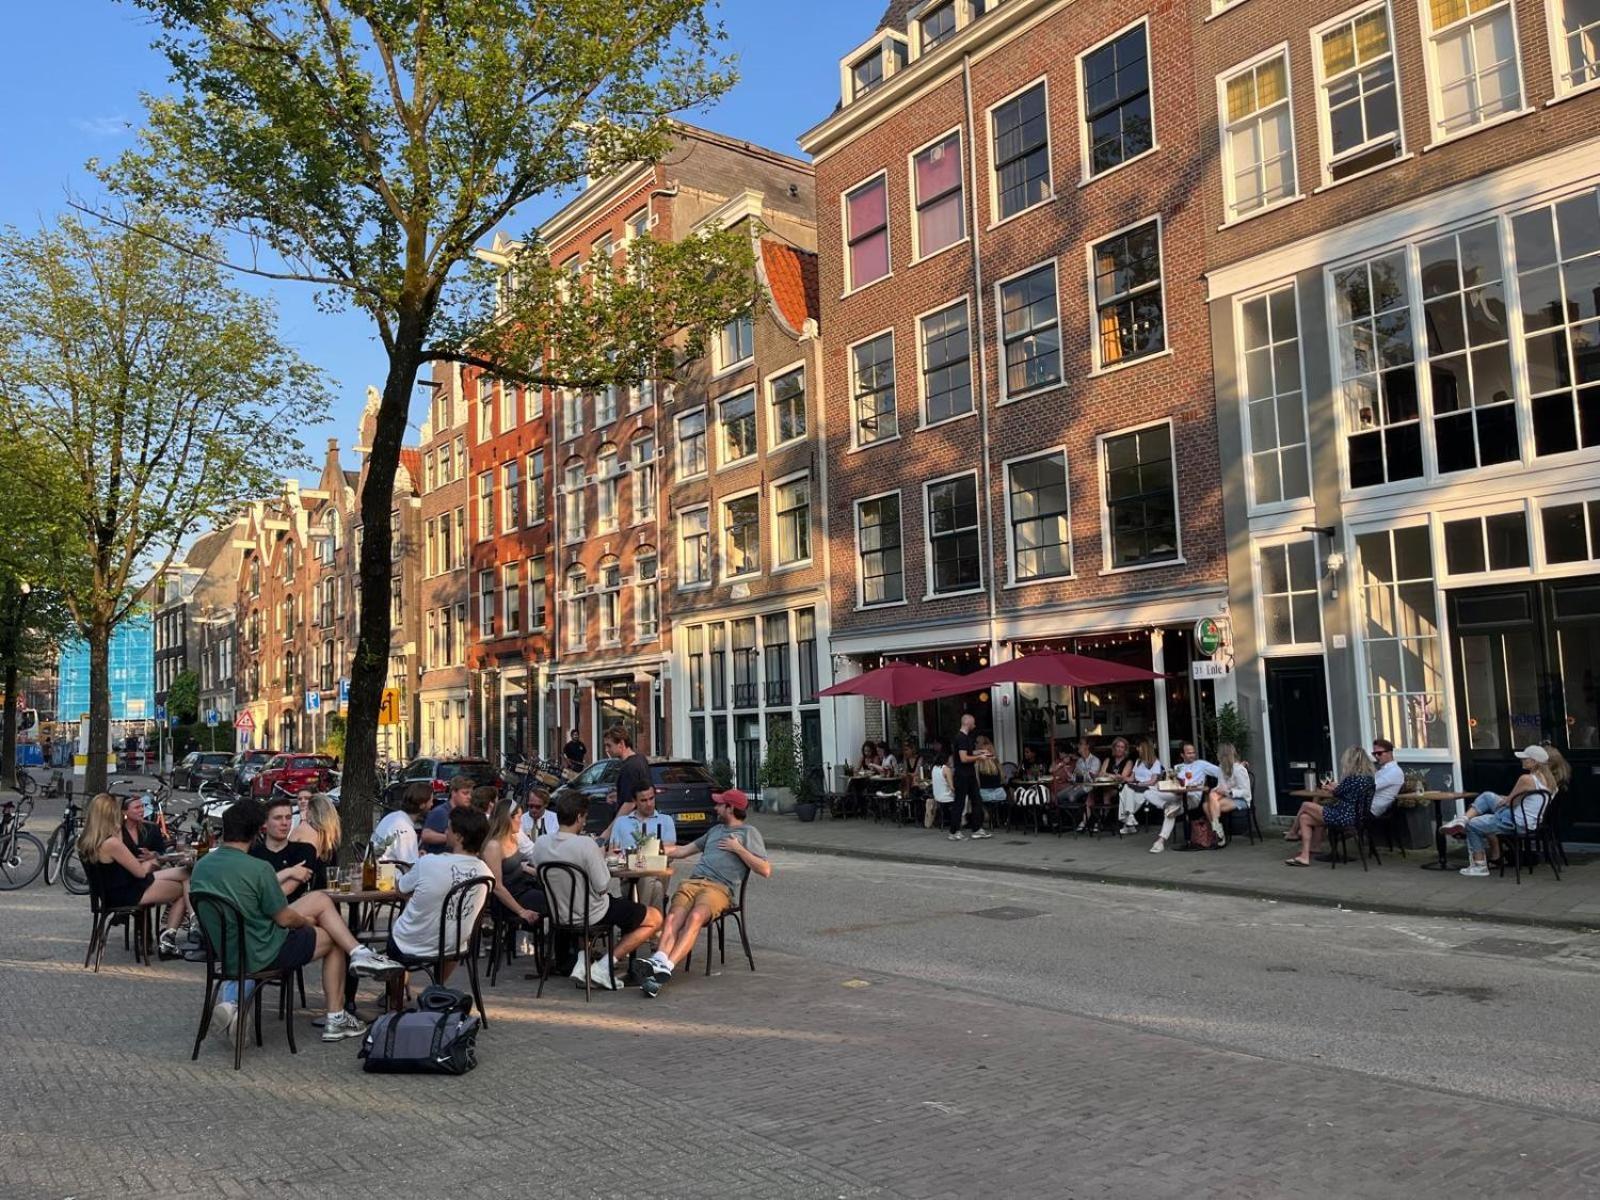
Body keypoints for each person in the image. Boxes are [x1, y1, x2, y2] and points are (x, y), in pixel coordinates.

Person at [192, 798, 401, 1043]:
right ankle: (336, 1015)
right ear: (256, 832)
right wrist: (305, 923)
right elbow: (283, 918)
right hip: (262, 950)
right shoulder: (258, 869)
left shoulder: (201, 867)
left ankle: (234, 1005)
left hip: (227, 952)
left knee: (319, 899)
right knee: (333, 938)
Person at [639, 788, 770, 998]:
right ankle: (660, 962)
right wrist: (650, 847)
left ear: (731, 808)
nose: (715, 807)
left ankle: (666, 966)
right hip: (693, 883)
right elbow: (682, 851)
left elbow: (765, 870)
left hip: (719, 888)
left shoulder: (749, 833)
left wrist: (738, 849)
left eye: (720, 804)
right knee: (673, 917)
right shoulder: (715, 830)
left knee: (696, 917)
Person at [534, 792, 664, 991]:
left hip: (559, 914)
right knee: (654, 918)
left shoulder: (541, 843)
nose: (585, 822)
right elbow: (602, 885)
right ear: (579, 817)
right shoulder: (585, 844)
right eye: (585, 817)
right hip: (592, 912)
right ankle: (604, 966)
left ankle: (583, 961)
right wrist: (601, 856)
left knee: (625, 907)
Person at [385, 806, 494, 984]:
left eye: (449, 828)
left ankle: (396, 996)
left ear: (458, 836)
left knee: (397, 934)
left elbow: (400, 889)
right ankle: (437, 988)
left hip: (411, 943)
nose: (445, 831)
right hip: (454, 946)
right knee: (453, 936)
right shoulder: (486, 873)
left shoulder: (428, 862)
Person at [78, 791, 191, 957]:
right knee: (184, 885)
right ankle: (175, 936)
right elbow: (139, 873)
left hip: (113, 890)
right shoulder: (112, 843)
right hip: (127, 892)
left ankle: (176, 934)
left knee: (184, 874)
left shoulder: (86, 840)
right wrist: (152, 862)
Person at [1439, 745, 1556, 877]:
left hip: (1514, 822)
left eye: (1525, 758)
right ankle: (1462, 819)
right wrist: (1502, 799)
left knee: (1472, 824)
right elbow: (1520, 800)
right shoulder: (1550, 782)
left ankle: (1479, 865)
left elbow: (1509, 802)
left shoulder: (1526, 779)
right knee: (1488, 796)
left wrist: (1503, 800)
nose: (1521, 761)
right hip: (1529, 821)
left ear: (1534, 762)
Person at [1286, 746, 1375, 866]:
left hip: (1343, 817)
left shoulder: (1352, 778)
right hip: (1357, 818)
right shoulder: (1368, 779)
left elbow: (1337, 793)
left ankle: (1292, 832)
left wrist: (1330, 788)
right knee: (1304, 818)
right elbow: (1345, 792)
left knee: (1306, 805)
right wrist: (1336, 788)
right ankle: (1305, 855)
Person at [606, 783, 676, 910]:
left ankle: (638, 918)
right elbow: (611, 854)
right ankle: (655, 928)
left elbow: (669, 854)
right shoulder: (622, 822)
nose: (649, 804)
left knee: (649, 876)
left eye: (651, 798)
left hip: (658, 873)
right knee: (657, 888)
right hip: (630, 880)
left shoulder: (665, 821)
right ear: (634, 801)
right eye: (643, 800)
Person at [481, 799, 544, 929]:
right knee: (557, 902)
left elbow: (512, 866)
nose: (521, 822)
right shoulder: (493, 846)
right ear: (508, 819)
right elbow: (497, 885)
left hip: (523, 887)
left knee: (558, 893)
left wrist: (533, 871)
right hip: (510, 898)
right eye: (519, 817)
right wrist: (521, 911)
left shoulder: (513, 837)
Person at [1151, 743, 1219, 853]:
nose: (1192, 755)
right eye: (1189, 753)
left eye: (1193, 752)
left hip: (1193, 798)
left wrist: (1238, 766)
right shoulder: (1178, 768)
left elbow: (1219, 772)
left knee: (1171, 808)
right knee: (1151, 792)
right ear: (1182, 755)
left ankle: (1160, 841)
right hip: (1179, 797)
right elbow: (1175, 784)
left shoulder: (1201, 764)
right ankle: (1160, 841)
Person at [250, 796, 319, 899]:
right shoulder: (253, 854)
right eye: (278, 818)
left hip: (296, 910)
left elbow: (286, 890)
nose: (284, 823)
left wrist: (261, 891)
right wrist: (289, 872)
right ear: (264, 823)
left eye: (288, 817)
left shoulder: (304, 850)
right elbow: (253, 890)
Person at [1202, 743, 1252, 846]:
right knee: (1206, 804)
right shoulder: (1221, 768)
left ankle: (1218, 834)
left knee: (1209, 806)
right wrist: (1215, 790)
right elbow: (1221, 785)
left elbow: (1246, 791)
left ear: (1223, 755)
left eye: (1218, 753)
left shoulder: (1239, 769)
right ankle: (1219, 833)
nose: (1216, 755)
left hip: (1241, 799)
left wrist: (1229, 792)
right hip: (1226, 796)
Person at [952, 714, 992, 839]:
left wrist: (979, 752)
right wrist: (980, 757)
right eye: (973, 723)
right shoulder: (961, 738)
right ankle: (954, 832)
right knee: (960, 802)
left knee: (977, 800)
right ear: (968, 723)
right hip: (962, 775)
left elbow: (967, 753)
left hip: (969, 774)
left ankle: (977, 829)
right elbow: (963, 758)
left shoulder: (965, 738)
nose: (974, 725)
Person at [289, 792, 340, 891]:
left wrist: (303, 821)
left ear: (312, 812)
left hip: (304, 894)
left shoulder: (304, 831)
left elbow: (287, 855)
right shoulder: (331, 837)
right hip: (329, 894)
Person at [1077, 737, 1126, 832]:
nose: (1119, 749)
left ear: (1125, 749)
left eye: (1122, 747)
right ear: (1114, 748)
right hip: (1104, 785)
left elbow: (1121, 777)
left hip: (1118, 787)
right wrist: (1111, 775)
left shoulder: (1128, 761)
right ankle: (1085, 821)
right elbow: (1100, 773)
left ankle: (1102, 820)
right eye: (1117, 746)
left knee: (1106, 794)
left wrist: (1108, 774)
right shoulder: (1108, 759)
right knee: (1091, 793)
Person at [604, 724, 651, 821]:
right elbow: (637, 791)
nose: (607, 750)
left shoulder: (629, 767)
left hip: (632, 825)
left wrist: (612, 829)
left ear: (621, 744)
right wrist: (619, 795)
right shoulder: (641, 759)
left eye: (609, 745)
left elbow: (629, 804)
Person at [372, 784, 428, 865]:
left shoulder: (392, 817)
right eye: (431, 801)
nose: (432, 804)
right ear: (422, 805)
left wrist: (416, 855)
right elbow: (409, 868)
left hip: (373, 868)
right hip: (387, 875)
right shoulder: (405, 830)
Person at [1119, 739, 1166, 833]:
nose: (1137, 749)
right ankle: (1130, 818)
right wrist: (1121, 777)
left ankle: (1128, 821)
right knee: (1126, 789)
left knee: (1126, 790)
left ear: (1145, 748)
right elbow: (1132, 778)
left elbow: (1153, 781)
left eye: (1139, 747)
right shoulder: (1138, 761)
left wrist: (1140, 784)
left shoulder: (1155, 762)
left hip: (1148, 787)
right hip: (1137, 786)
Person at [421, 774, 474, 853]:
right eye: (465, 793)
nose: (469, 797)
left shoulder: (468, 812)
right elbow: (426, 835)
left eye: (470, 794)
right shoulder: (440, 812)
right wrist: (452, 838)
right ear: (454, 793)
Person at [1369, 738, 1405, 820]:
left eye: (1379, 753)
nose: (1376, 756)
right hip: (1366, 808)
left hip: (1371, 812)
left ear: (1389, 753)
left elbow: (1370, 786)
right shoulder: (1385, 769)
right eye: (1374, 754)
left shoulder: (1394, 772)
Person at [975, 734, 1005, 815]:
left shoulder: (978, 764)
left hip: (985, 795)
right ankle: (998, 816)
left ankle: (984, 815)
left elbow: (978, 783)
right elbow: (1003, 779)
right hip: (1000, 794)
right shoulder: (997, 764)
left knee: (974, 796)